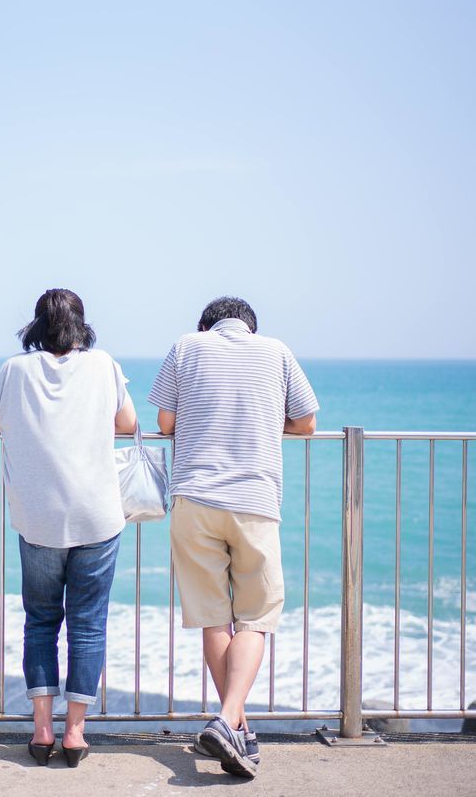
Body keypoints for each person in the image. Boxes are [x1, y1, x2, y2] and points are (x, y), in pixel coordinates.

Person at [149, 296, 318, 779]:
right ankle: (230, 721)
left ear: (206, 326)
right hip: (254, 500)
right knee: (257, 619)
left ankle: (234, 729)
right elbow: (306, 423)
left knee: (213, 619)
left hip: (194, 499)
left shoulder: (186, 346)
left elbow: (165, 423)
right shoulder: (277, 351)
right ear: (250, 327)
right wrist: (266, 422)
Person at [0, 288, 137, 768]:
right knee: (88, 625)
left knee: (41, 621)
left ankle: (42, 730)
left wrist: (23, 426)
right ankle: (75, 734)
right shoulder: (104, 365)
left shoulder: (14, 370)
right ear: (81, 326)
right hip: (97, 516)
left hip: (38, 518)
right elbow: (128, 422)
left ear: (36, 327)